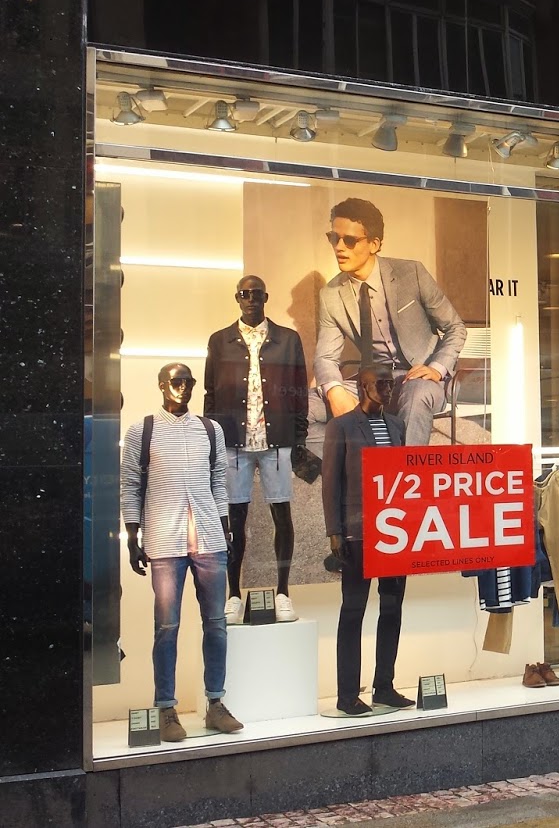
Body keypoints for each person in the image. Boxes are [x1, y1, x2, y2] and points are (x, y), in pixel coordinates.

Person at [120, 363, 244, 742]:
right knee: (167, 626)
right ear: (162, 386)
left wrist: (224, 527)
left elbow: (218, 481)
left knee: (216, 623)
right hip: (164, 540)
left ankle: (216, 702)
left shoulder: (209, 429)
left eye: (188, 382)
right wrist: (132, 534)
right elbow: (130, 484)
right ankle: (166, 708)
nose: (183, 388)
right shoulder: (143, 430)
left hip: (209, 538)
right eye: (176, 382)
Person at [315, 197, 467, 447]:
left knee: (416, 395)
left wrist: (436, 368)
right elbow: (325, 357)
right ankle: (362, 461)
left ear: (374, 244)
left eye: (349, 240)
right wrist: (334, 390)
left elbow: (455, 328)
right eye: (334, 238)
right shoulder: (330, 294)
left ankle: (402, 469)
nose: (339, 247)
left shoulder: (411, 274)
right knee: (307, 407)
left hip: (421, 379)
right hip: (373, 382)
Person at [204, 275, 309, 624]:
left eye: (257, 294)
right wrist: (211, 442)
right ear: (237, 297)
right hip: (233, 441)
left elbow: (299, 392)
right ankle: (233, 594)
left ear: (266, 297)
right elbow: (210, 394)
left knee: (282, 513)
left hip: (276, 440)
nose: (251, 299)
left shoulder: (287, 340)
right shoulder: (219, 341)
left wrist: (299, 439)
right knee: (235, 517)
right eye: (245, 294)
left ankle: (283, 592)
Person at [322, 366, 415, 717]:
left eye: (391, 383)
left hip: (393, 532)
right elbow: (331, 482)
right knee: (353, 611)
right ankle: (347, 694)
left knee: (392, 608)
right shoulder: (342, 426)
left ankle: (384, 686)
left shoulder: (397, 426)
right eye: (381, 384)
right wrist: (335, 532)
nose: (388, 389)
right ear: (363, 386)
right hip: (357, 532)